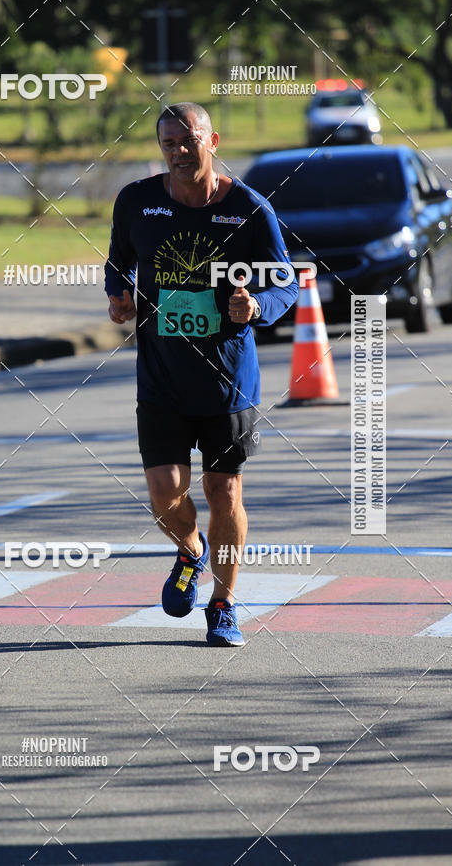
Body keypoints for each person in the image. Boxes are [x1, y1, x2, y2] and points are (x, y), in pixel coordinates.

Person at [104, 102, 298, 646]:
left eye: (189, 141)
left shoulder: (248, 209)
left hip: (227, 380)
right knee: (165, 494)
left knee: (224, 490)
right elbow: (119, 262)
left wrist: (256, 306)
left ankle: (224, 604)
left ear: (213, 140)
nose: (179, 152)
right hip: (162, 376)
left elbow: (286, 282)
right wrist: (117, 298)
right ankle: (191, 553)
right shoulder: (137, 201)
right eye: (169, 143)